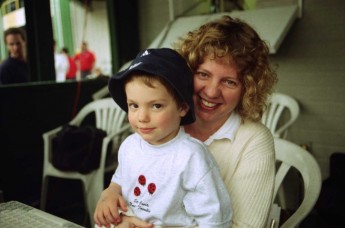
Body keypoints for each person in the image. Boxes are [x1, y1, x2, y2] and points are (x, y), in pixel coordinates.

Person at [97, 15, 278, 228]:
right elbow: (131, 183)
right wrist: (111, 192)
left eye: (229, 82)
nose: (211, 92)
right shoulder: (158, 125)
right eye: (203, 74)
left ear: (247, 88)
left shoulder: (254, 141)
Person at [94, 48, 232, 228]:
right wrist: (110, 193)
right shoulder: (130, 145)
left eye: (156, 106)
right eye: (134, 105)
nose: (142, 117)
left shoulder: (191, 157)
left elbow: (214, 219)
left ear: (182, 108)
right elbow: (120, 178)